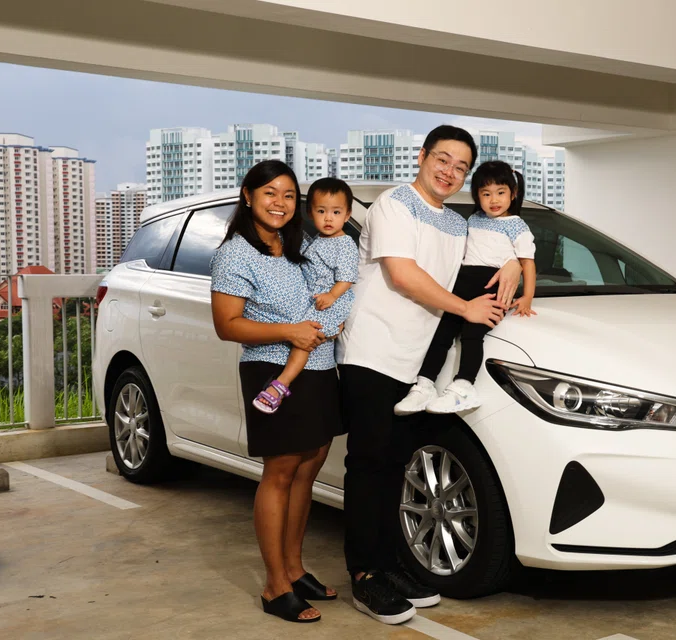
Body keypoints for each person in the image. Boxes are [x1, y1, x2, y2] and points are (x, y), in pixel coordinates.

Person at [336, 125, 523, 625]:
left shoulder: (458, 223)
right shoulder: (393, 205)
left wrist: (512, 269)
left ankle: (392, 565)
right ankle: (365, 576)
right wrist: (465, 306)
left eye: (461, 167)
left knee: (398, 466)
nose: (450, 172)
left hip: (418, 365)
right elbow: (403, 275)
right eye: (443, 159)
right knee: (370, 464)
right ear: (422, 156)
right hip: (373, 352)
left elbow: (494, 251)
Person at [210, 160, 342, 624]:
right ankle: (274, 586)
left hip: (320, 364)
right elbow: (227, 326)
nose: (280, 203)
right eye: (270, 193)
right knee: (281, 471)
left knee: (310, 466)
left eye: (289, 195)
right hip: (271, 368)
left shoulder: (297, 245)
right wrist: (289, 331)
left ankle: (294, 569)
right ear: (247, 196)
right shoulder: (235, 254)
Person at [395, 160, 537, 415]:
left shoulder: (518, 226)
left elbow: (528, 263)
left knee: (472, 336)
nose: (493, 200)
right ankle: (425, 384)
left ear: (513, 194)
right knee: (442, 334)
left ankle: (464, 386)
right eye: (486, 194)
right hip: (462, 284)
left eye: (501, 193)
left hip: (492, 287)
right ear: (477, 197)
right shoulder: (473, 219)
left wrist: (526, 297)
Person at [252, 177, 358, 414]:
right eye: (321, 211)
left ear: (347, 215)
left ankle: (281, 384)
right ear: (311, 214)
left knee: (304, 340)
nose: (328, 218)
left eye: (336, 212)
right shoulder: (317, 241)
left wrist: (331, 296)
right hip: (318, 301)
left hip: (332, 303)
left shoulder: (345, 244)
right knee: (302, 337)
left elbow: (347, 278)